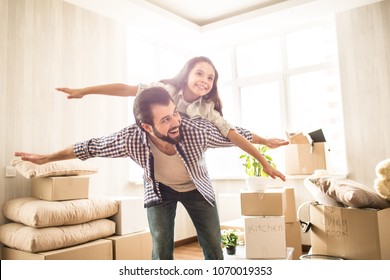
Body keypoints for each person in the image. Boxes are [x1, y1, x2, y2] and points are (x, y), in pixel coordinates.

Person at [15, 86, 256, 260]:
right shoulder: (130, 138)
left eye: (174, 113)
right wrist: (46, 158)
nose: (175, 122)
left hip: (197, 188)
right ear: (147, 127)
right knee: (161, 248)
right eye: (165, 119)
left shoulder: (195, 129)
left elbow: (232, 134)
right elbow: (89, 146)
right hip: (160, 190)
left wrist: (266, 142)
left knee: (213, 247)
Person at [56, 56, 289, 181]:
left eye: (210, 78)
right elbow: (125, 89)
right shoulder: (164, 89)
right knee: (106, 142)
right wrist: (84, 90)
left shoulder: (206, 107)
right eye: (199, 73)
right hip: (157, 156)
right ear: (186, 73)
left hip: (187, 161)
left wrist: (264, 157)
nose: (205, 81)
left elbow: (232, 133)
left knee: (221, 131)